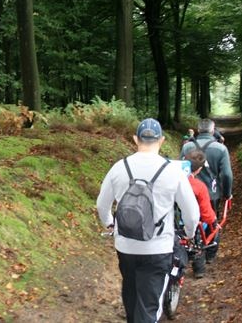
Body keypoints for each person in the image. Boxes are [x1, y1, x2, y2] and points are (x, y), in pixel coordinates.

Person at [97, 118, 199, 323]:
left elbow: (102, 204)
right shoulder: (173, 171)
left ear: (136, 139)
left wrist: (110, 223)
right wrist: (189, 233)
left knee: (131, 296)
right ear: (161, 141)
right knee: (149, 307)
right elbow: (192, 213)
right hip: (158, 248)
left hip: (125, 246)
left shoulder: (119, 167)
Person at [179, 118, 233, 263]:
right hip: (212, 193)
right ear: (212, 130)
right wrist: (227, 194)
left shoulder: (187, 147)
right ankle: (210, 254)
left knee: (191, 221)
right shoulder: (221, 149)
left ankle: (197, 259)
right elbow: (226, 174)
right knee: (212, 221)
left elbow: (180, 169)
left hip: (189, 191)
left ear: (198, 130)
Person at [185, 149, 217, 278]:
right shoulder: (199, 186)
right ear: (199, 169)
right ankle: (200, 268)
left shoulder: (171, 181)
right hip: (194, 224)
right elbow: (207, 214)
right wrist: (214, 219)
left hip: (173, 222)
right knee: (207, 231)